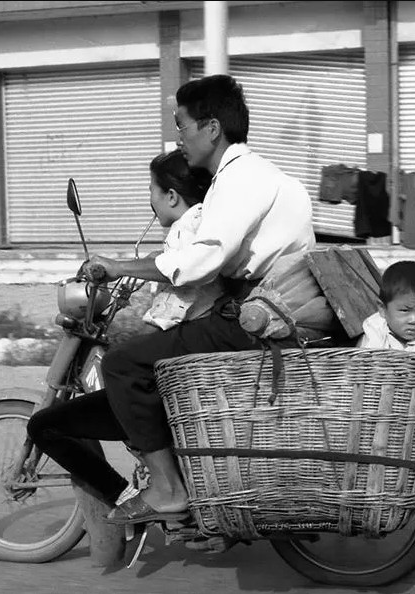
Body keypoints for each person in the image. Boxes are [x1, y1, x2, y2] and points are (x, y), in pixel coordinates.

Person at [28, 74, 316, 525]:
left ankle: (167, 489)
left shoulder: (241, 181)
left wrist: (123, 267)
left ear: (212, 128)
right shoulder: (248, 176)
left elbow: (202, 261)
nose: (178, 137)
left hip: (254, 316)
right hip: (266, 308)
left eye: (182, 125)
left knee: (123, 364)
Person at [142, 150, 221, 331]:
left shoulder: (186, 227)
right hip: (205, 322)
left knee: (122, 357)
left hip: (192, 326)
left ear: (171, 196)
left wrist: (150, 328)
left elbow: (181, 290)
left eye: (151, 191)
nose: (151, 201)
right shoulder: (201, 219)